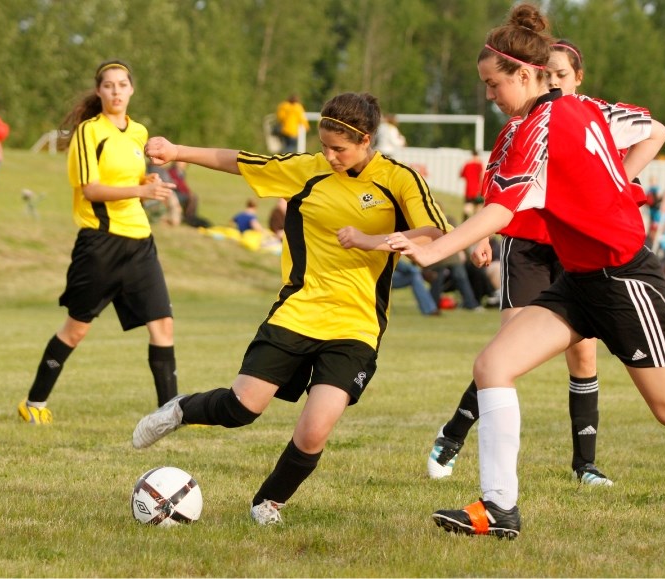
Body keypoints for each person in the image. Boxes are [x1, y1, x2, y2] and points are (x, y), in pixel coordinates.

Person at [387, 4, 665, 539]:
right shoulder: (581, 108)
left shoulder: (537, 129)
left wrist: (436, 251)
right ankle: (500, 508)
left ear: (525, 74)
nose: (489, 96)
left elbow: (501, 211)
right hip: (580, 278)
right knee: (493, 365)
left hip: (623, 280)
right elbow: (629, 143)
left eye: (493, 84)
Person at [132, 92, 451, 526]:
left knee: (314, 430)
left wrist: (376, 240)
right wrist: (176, 152)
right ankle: (179, 409)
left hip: (357, 325)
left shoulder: (399, 180)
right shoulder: (307, 171)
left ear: (367, 140)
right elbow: (238, 161)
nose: (330, 156)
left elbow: (436, 232)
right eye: (325, 146)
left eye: (339, 148)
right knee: (241, 409)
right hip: (298, 311)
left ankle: (268, 503)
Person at [426, 38, 612, 487]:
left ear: (576, 78)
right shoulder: (516, 128)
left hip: (574, 250)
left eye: (563, 76)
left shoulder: (591, 119)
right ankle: (452, 436)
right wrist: (484, 234)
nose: (555, 83)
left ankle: (585, 464)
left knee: (583, 354)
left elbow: (636, 148)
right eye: (550, 75)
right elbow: (497, 190)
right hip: (525, 247)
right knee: (507, 351)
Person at [17, 60, 180, 425]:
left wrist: (153, 184)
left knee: (163, 325)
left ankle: (169, 414)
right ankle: (34, 403)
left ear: (132, 90)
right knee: (76, 329)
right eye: (109, 85)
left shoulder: (139, 132)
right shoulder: (88, 133)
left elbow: (137, 182)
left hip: (140, 243)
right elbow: (90, 190)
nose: (117, 91)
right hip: (100, 245)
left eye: (123, 84)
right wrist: (142, 188)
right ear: (99, 92)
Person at [167, 161, 211, 228]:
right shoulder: (173, 171)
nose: (180, 164)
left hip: (178, 193)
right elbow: (180, 185)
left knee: (193, 197)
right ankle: (190, 217)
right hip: (173, 194)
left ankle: (190, 216)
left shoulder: (181, 172)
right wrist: (189, 193)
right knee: (192, 197)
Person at [460, 150, 485, 219]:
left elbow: (462, 175)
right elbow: (482, 176)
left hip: (468, 190)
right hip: (477, 189)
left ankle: (464, 223)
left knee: (467, 207)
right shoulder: (479, 165)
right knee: (478, 208)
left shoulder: (467, 164)